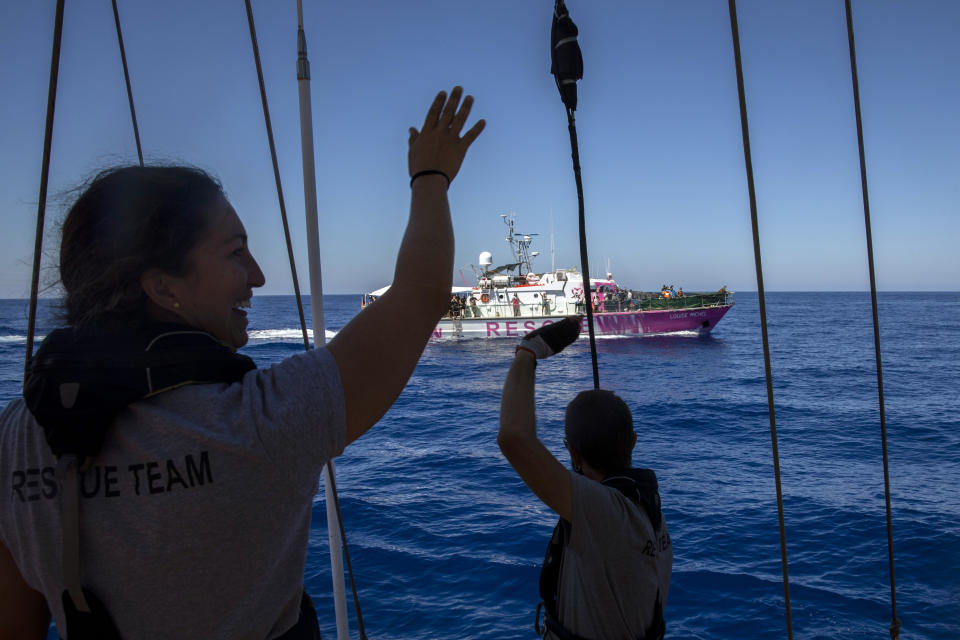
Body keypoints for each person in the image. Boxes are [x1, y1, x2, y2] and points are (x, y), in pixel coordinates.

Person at [0, 87, 484, 639]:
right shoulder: (258, 423)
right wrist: (430, 177)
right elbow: (421, 295)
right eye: (235, 253)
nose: (257, 276)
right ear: (162, 286)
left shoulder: (14, 437)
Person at [498, 318, 672, 640]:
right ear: (633, 440)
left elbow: (513, 438)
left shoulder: (605, 513)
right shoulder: (650, 510)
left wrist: (527, 351)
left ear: (573, 454)